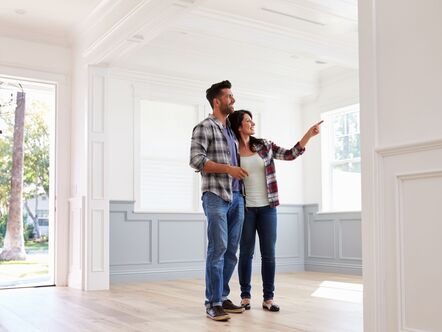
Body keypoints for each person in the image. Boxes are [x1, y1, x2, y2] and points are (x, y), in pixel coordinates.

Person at [228, 109, 322, 312]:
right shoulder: (231, 149)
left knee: (268, 254)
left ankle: (268, 298)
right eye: (248, 121)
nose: (252, 124)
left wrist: (308, 136)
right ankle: (245, 297)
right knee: (245, 253)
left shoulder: (264, 146)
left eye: (252, 121)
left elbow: (289, 155)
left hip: (267, 208)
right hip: (245, 208)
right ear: (239, 126)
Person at [189, 80, 249, 321]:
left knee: (232, 251)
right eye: (229, 96)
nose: (233, 100)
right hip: (215, 195)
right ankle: (212, 302)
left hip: (237, 197)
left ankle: (222, 296)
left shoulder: (230, 133)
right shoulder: (204, 127)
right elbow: (196, 160)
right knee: (218, 248)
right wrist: (228, 169)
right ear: (217, 101)